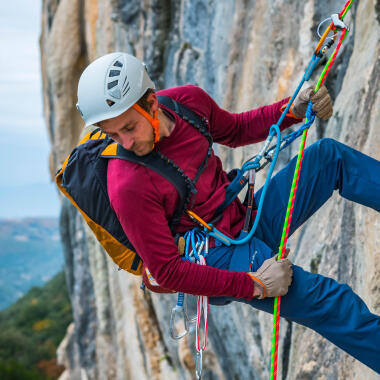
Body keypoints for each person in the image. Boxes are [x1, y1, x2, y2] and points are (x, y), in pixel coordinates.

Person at [76, 52, 380, 372]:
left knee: (330, 158)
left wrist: (290, 109)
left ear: (151, 102)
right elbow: (166, 271)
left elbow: (234, 130)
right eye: (113, 135)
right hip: (216, 258)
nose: (126, 141)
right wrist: (254, 285)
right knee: (330, 302)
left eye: (129, 127)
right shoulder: (128, 185)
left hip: (241, 221)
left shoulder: (187, 103)